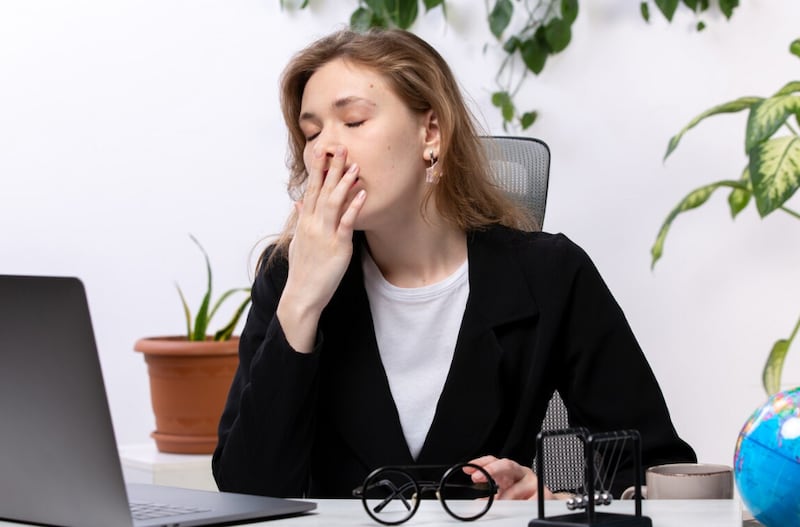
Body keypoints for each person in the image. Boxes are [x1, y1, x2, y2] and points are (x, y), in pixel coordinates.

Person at [212, 27, 695, 501]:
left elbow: (653, 469)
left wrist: (555, 497)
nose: (324, 149)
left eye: (354, 121)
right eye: (311, 132)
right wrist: (302, 302)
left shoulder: (551, 274)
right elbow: (246, 492)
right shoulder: (289, 276)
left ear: (432, 133)